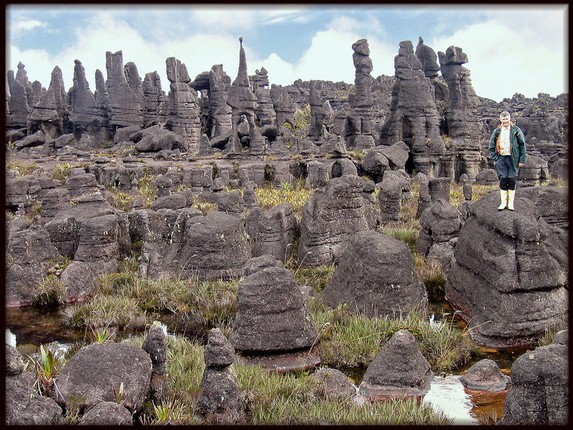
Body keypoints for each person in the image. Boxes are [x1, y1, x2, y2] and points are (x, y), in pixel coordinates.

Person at [488, 111, 526, 211]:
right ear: (500, 120)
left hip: (513, 159)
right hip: (501, 158)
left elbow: (522, 145)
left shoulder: (516, 130)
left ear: (510, 119)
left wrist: (522, 159)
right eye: (503, 119)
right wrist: (496, 158)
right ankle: (503, 203)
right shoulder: (497, 131)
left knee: (512, 179)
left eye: (507, 119)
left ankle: (510, 203)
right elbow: (491, 145)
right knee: (503, 179)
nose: (505, 121)